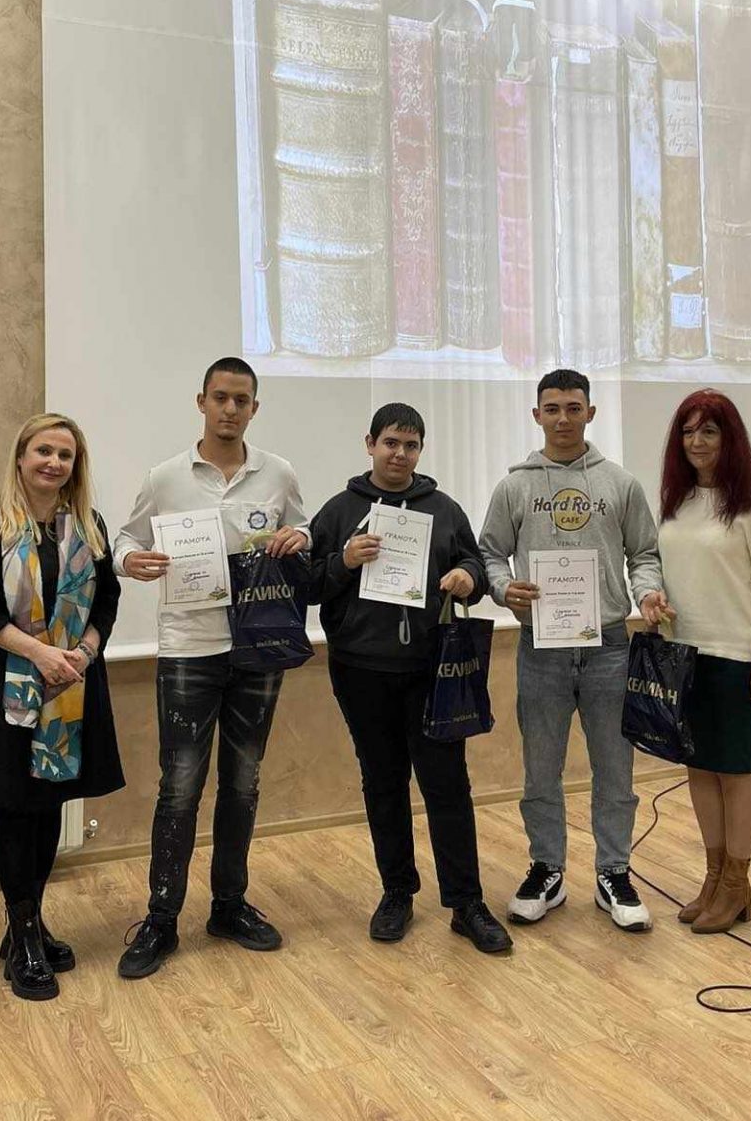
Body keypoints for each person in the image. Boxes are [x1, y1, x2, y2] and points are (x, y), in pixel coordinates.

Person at [114, 357, 308, 978]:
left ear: (255, 408)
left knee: (243, 782)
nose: (230, 409)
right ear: (201, 401)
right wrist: (130, 562)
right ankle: (161, 919)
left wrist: (300, 539)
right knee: (180, 786)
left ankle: (228, 906)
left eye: (241, 400)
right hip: (188, 647)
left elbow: (302, 528)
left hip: (257, 649)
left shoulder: (277, 472)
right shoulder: (165, 476)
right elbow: (125, 538)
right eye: (220, 397)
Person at [309, 404, 513, 955]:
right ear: (370, 443)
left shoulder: (443, 510)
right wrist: (344, 561)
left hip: (431, 670)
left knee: (447, 784)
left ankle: (466, 903)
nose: (400, 454)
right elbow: (307, 586)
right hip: (360, 670)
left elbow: (475, 565)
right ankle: (397, 891)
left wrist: (466, 575)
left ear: (420, 450)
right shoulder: (340, 511)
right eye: (391, 443)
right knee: (383, 783)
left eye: (411, 445)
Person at [479, 369, 669, 933]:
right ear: (536, 415)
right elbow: (489, 554)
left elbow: (644, 554)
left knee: (616, 768)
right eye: (552, 408)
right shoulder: (514, 487)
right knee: (541, 769)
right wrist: (502, 589)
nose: (563, 418)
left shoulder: (620, 483)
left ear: (591, 413)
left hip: (609, 645)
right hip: (542, 647)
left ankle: (614, 872)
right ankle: (548, 870)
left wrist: (648, 591)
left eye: (573, 407)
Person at [0, 414, 123, 1001]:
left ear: (76, 466)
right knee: (17, 807)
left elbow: (107, 601)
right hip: (7, 687)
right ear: (21, 457)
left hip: (71, 686)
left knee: (48, 805)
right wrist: (41, 654)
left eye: (65, 455)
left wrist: (83, 653)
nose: (54, 463)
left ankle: (30, 921)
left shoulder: (89, 527)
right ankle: (23, 934)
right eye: (43, 451)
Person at [657, 390, 751, 934]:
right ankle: (714, 878)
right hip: (684, 657)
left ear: (729, 438)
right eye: (688, 431)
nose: (697, 442)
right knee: (699, 769)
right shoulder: (677, 500)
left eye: (709, 431)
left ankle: (736, 882)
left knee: (735, 772)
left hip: (737, 658)